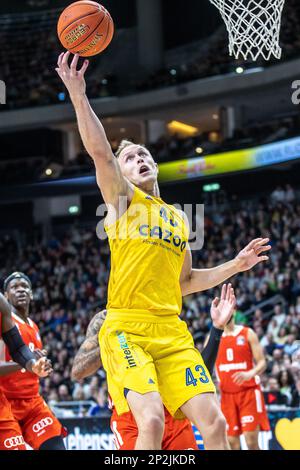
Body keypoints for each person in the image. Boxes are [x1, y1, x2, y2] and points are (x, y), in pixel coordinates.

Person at [56, 51, 271, 450]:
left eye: (144, 154)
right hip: (127, 328)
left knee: (215, 423)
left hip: (171, 331)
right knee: (151, 421)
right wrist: (78, 94)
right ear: (120, 174)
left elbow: (186, 281)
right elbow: (100, 151)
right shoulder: (122, 200)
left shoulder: (177, 217)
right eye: (130, 157)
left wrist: (237, 265)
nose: (139, 159)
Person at [72, 284, 236, 450]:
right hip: (132, 420)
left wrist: (216, 329)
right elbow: (78, 370)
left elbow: (195, 380)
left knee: (215, 424)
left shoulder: (168, 316)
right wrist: (115, 341)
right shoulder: (106, 320)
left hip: (173, 418)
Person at [0, 272, 66, 450]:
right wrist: (26, 365)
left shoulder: (33, 325)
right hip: (7, 401)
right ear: (5, 296)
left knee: (57, 446)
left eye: (24, 286)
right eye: (14, 287)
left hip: (32, 402)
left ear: (32, 293)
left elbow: (27, 361)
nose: (20, 290)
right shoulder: (6, 320)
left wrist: (40, 367)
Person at [215, 312, 270, 450]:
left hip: (248, 393)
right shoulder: (214, 337)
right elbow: (206, 364)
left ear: (233, 311)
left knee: (251, 442)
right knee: (232, 443)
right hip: (227, 396)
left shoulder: (247, 333)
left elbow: (262, 362)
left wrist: (250, 373)